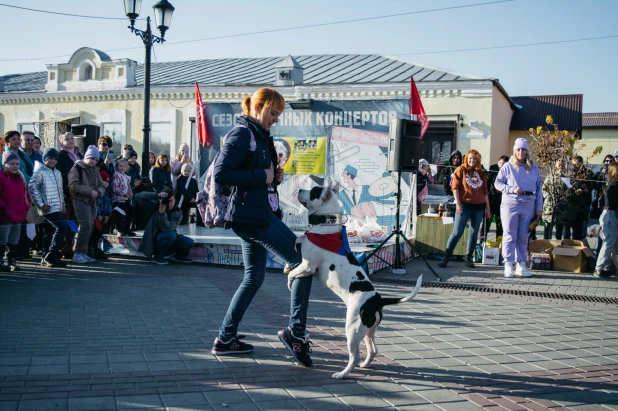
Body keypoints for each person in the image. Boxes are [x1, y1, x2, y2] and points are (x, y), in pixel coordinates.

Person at [210, 87, 313, 366]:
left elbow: (259, 179)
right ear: (258, 107)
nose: (277, 118)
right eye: (273, 112)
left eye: (280, 114)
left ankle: (225, 338)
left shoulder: (260, 136)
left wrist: (274, 178)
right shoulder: (242, 133)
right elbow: (222, 173)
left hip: (256, 214)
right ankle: (295, 333)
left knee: (253, 278)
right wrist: (263, 175)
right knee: (302, 261)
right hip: (252, 217)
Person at [494, 138, 543, 278]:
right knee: (510, 235)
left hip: (528, 205)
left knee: (523, 236)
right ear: (515, 151)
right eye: (518, 149)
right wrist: (511, 189)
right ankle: (508, 264)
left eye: (523, 149)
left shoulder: (533, 168)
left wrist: (539, 208)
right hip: (510, 204)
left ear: (527, 151)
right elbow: (497, 183)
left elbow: (539, 189)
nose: (521, 152)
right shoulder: (508, 166)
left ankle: (521, 264)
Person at [438, 149, 490, 269]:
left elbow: (485, 192)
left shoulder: (481, 173)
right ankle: (446, 256)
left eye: (475, 159)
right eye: (470, 158)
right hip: (464, 206)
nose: (472, 161)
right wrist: (458, 204)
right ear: (466, 159)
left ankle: (468, 258)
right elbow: (455, 188)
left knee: (473, 233)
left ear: (478, 160)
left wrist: (488, 208)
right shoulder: (460, 170)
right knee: (457, 232)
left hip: (479, 207)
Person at [28, 148, 67, 268]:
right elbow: (32, 187)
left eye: (55, 158)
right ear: (45, 158)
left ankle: (47, 257)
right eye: (50, 158)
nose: (53, 160)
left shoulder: (57, 172)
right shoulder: (40, 171)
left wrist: (63, 205)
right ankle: (52, 253)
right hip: (47, 208)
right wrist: (40, 204)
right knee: (61, 227)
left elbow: (60, 191)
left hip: (57, 207)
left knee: (49, 232)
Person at [68, 145, 106, 264]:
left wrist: (99, 192)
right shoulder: (76, 169)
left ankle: (83, 252)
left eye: (95, 159)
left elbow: (101, 185)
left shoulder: (95, 170)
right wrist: (90, 192)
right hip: (80, 200)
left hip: (92, 202)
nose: (93, 161)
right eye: (91, 158)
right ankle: (78, 253)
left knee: (90, 227)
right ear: (85, 157)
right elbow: (73, 186)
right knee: (85, 226)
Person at [137, 187, 194, 264]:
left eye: (171, 201)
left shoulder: (177, 212)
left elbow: (167, 228)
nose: (169, 204)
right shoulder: (155, 206)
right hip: (153, 241)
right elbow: (138, 196)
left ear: (175, 200)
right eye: (167, 201)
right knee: (170, 235)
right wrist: (157, 195)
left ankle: (179, 257)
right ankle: (158, 257)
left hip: (169, 238)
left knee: (189, 242)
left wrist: (162, 213)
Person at [0, 151, 30, 272]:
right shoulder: (2, 177)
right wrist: (4, 207)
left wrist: (25, 208)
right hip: (4, 215)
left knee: (14, 240)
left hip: (18, 215)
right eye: (12, 163)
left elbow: (26, 195)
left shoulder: (20, 178)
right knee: (2, 240)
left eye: (17, 164)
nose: (15, 166)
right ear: (4, 164)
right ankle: (1, 261)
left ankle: (12, 260)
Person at [56, 132, 83, 260]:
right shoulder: (60, 155)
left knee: (74, 222)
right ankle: (59, 249)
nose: (71, 140)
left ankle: (69, 248)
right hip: (66, 194)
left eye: (72, 138)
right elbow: (59, 174)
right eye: (67, 139)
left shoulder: (79, 155)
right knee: (64, 221)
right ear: (62, 141)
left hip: (79, 194)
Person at [594, 163, 618, 278]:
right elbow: (613, 202)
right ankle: (599, 268)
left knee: (613, 244)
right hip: (610, 215)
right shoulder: (614, 185)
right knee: (609, 243)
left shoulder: (613, 184)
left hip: (611, 215)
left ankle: (609, 267)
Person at [563, 156, 592, 240]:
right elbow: (566, 188)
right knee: (567, 230)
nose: (575, 166)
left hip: (583, 205)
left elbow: (592, 185)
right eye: (573, 164)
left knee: (580, 231)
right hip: (570, 205)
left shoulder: (587, 173)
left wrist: (585, 189)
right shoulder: (570, 173)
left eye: (577, 164)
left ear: (581, 163)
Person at [481, 155, 509, 242]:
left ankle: (499, 243)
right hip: (491, 201)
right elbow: (486, 186)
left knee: (500, 225)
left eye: (504, 163)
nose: (501, 165)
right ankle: (482, 241)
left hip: (501, 203)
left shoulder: (508, 173)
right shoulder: (492, 171)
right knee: (486, 224)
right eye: (500, 163)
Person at [542, 159, 568, 240]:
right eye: (559, 165)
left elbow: (567, 191)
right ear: (556, 165)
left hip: (560, 206)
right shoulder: (550, 176)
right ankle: (546, 242)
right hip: (550, 206)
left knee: (559, 226)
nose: (561, 166)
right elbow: (544, 189)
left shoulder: (566, 177)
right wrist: (549, 198)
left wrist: (563, 199)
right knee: (548, 226)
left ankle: (558, 243)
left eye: (562, 165)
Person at [112, 159, 136, 236]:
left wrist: (130, 193)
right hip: (118, 199)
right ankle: (120, 230)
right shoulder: (116, 176)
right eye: (120, 166)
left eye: (124, 166)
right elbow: (115, 188)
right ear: (117, 167)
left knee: (131, 212)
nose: (122, 168)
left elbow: (128, 187)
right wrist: (124, 194)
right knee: (119, 214)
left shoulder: (126, 177)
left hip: (125, 199)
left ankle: (127, 228)